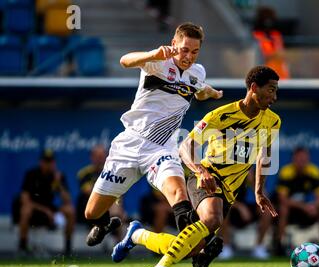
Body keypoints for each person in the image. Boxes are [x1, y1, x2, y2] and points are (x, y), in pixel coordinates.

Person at [111, 65, 281, 267]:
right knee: (212, 218)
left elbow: (263, 156)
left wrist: (259, 191)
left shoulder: (273, 121)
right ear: (254, 88)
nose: (274, 97)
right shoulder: (221, 115)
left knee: (188, 247)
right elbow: (185, 147)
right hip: (207, 179)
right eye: (271, 90)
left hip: (230, 192)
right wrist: (201, 171)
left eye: (276, 91)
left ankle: (136, 235)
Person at [84, 22, 223, 249]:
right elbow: (125, 61)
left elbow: (200, 89)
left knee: (179, 193)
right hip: (129, 144)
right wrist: (153, 54)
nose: (189, 56)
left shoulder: (197, 72)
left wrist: (213, 93)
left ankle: (201, 247)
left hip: (161, 148)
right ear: (173, 44)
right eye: (184, 49)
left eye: (195, 51)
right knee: (91, 212)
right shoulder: (157, 63)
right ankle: (104, 224)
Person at [272, 147, 319, 256]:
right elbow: (283, 199)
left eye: (305, 157)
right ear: (293, 158)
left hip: (306, 209)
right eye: (299, 158)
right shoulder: (286, 172)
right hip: (291, 210)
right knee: (283, 209)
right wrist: (304, 207)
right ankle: (279, 245)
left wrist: (313, 206)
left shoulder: (314, 171)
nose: (302, 160)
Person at [17, 149, 75, 255]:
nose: (48, 164)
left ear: (54, 163)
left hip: (51, 210)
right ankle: (23, 247)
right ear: (41, 162)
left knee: (70, 210)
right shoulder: (32, 174)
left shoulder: (58, 176)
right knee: (25, 210)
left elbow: (67, 200)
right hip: (35, 209)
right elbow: (24, 199)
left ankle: (67, 249)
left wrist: (58, 183)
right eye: (46, 161)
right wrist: (46, 210)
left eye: (51, 161)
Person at [76, 145, 127, 241]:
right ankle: (104, 229)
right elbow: (88, 192)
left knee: (118, 210)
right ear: (92, 157)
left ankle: (120, 244)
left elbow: (119, 192)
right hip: (87, 208)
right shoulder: (85, 173)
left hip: (109, 208)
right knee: (114, 208)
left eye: (102, 156)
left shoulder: (113, 172)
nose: (100, 159)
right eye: (97, 156)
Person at [252, 6, 290, 79]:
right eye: (265, 19)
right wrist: (274, 54)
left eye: (270, 19)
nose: (268, 22)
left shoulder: (276, 35)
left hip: (281, 75)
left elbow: (282, 53)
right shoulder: (256, 35)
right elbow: (261, 56)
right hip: (264, 76)